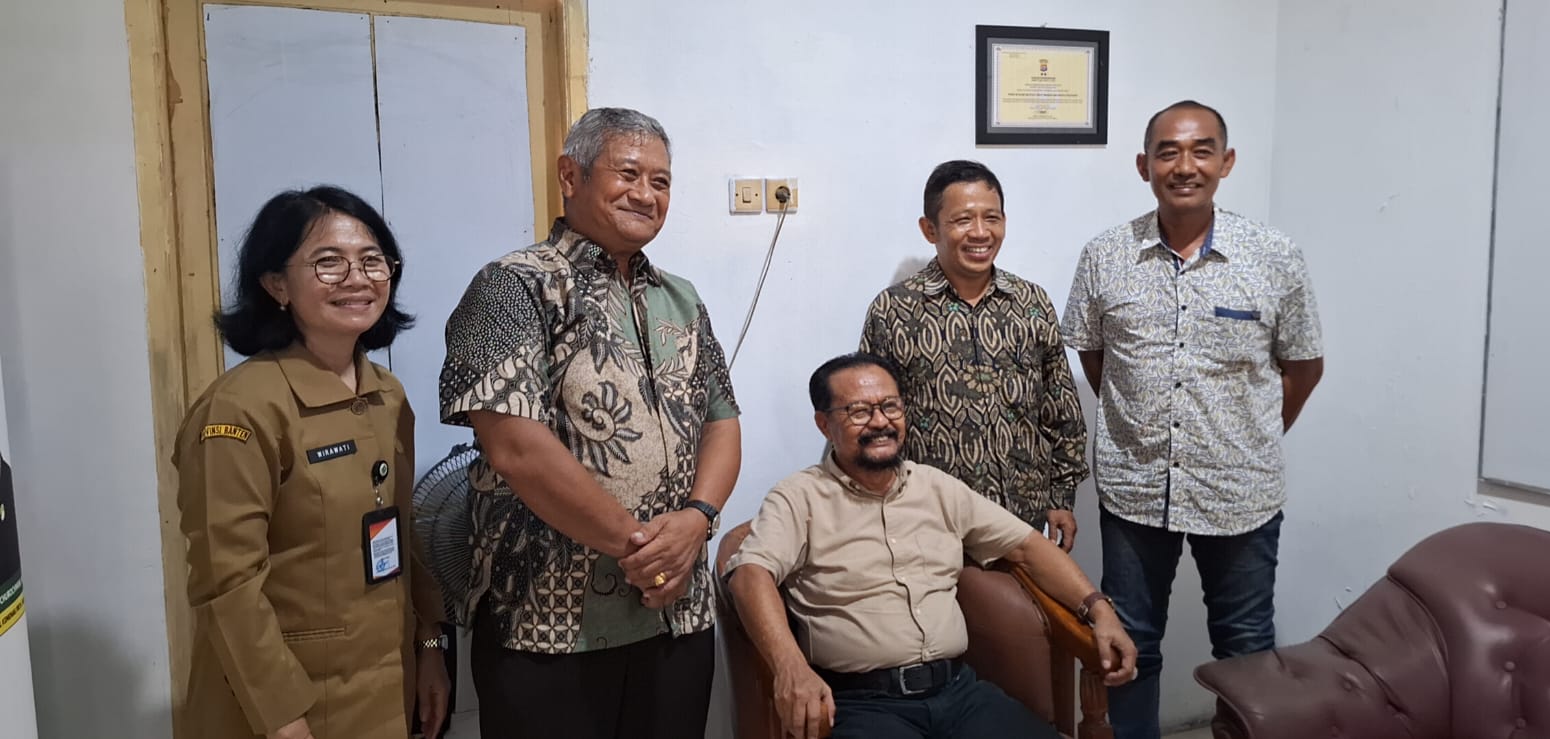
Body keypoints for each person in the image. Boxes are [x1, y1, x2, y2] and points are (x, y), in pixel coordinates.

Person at [439, 107, 741, 739]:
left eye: (661, 181)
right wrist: (647, 552)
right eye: (627, 173)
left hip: (675, 614)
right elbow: (516, 449)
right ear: (570, 176)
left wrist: (697, 521)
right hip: (546, 624)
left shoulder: (682, 298)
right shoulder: (510, 287)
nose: (646, 194)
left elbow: (722, 419)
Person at [1061, 100, 1325, 738]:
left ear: (1226, 162)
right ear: (1143, 165)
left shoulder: (1274, 256)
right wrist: (1140, 421)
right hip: (1135, 488)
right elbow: (1096, 358)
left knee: (1245, 648)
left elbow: (1304, 366)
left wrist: (1246, 436)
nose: (1185, 166)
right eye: (1168, 152)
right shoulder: (1105, 255)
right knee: (1129, 645)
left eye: (1202, 150)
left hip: (1240, 491)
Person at [725, 352, 1137, 739]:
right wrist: (791, 666)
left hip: (959, 693)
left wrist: (1100, 611)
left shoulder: (937, 487)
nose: (880, 422)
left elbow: (1027, 547)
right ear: (824, 424)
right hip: (863, 705)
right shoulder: (798, 497)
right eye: (859, 411)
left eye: (890, 406)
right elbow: (750, 575)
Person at [173, 186, 450, 739]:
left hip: (384, 692)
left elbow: (402, 535)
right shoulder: (240, 409)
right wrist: (281, 716)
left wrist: (431, 643)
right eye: (328, 262)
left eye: (372, 260)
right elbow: (227, 583)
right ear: (276, 284)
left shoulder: (387, 395)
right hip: (282, 707)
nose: (357, 278)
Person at [859, 160, 1088, 548]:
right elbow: (870, 419)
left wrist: (1061, 498)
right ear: (930, 229)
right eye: (963, 220)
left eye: (991, 218)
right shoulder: (893, 311)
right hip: (929, 521)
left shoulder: (1031, 303)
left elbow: (1061, 410)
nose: (981, 233)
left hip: (1023, 518)